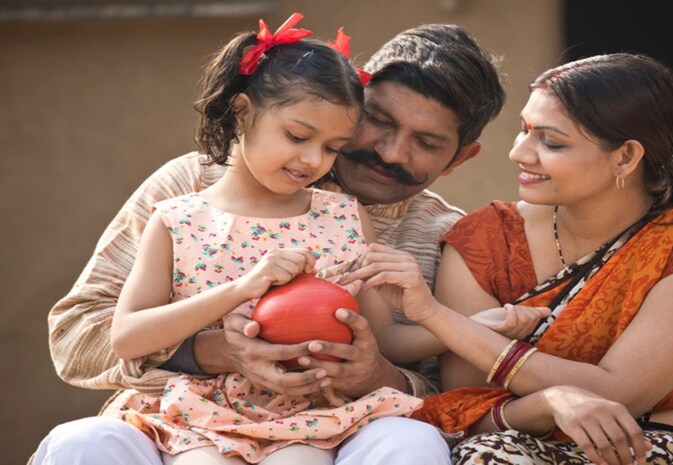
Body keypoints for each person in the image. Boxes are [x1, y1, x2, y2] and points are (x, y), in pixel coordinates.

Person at [33, 18, 507, 465]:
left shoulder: (447, 238)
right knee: (81, 444)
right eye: (378, 120)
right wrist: (212, 352)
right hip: (186, 421)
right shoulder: (189, 191)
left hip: (332, 426)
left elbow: (456, 397)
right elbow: (78, 338)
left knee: (412, 442)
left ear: (460, 158)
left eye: (426, 143)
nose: (390, 151)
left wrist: (376, 373)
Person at [342, 52, 673, 465]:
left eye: (551, 142)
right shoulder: (485, 239)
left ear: (626, 157)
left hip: (659, 447)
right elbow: (464, 408)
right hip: (511, 448)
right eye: (524, 130)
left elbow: (617, 395)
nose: (519, 153)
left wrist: (437, 318)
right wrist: (548, 403)